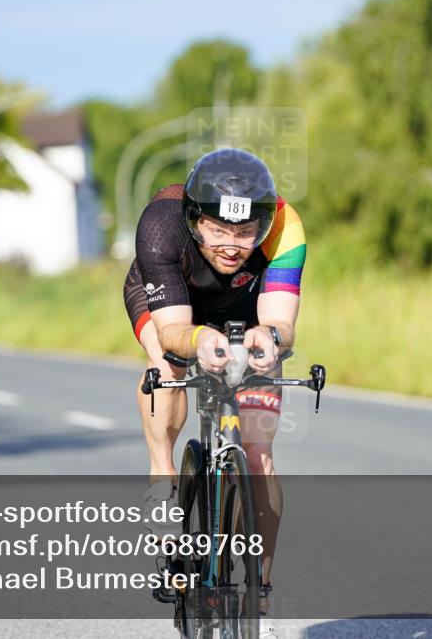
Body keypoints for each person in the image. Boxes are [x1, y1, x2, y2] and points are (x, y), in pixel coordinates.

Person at [123, 148, 306, 638]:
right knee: (166, 374)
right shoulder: (162, 225)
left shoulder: (286, 226)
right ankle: (170, 542)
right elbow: (173, 331)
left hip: (246, 311)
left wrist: (270, 340)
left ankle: (259, 591)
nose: (232, 245)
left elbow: (281, 322)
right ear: (194, 219)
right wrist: (198, 340)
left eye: (246, 232)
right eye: (219, 230)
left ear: (264, 224)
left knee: (260, 455)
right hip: (172, 307)